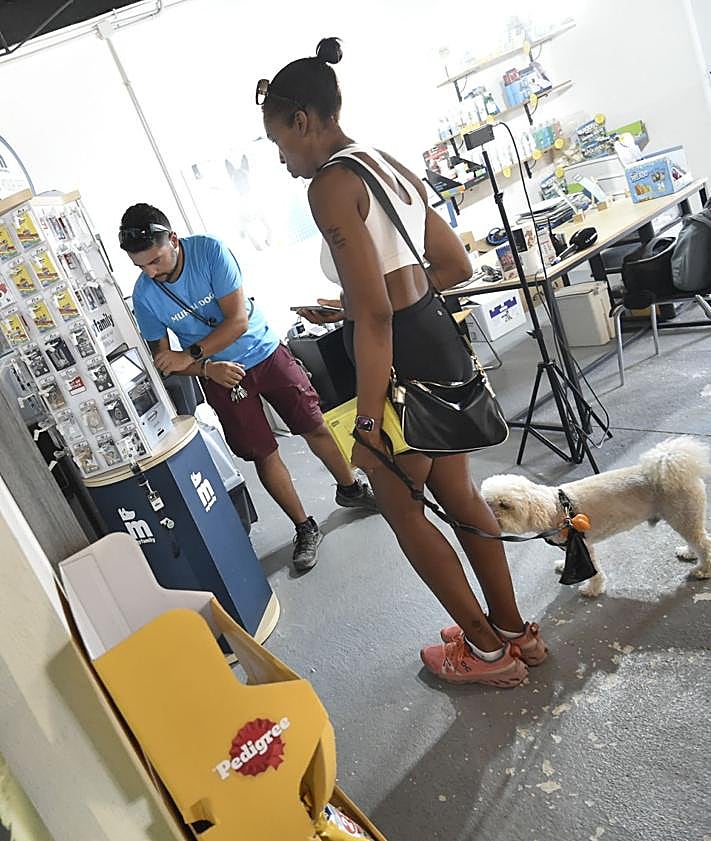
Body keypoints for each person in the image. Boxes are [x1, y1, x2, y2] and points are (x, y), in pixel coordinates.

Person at [258, 38, 548, 687]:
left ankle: (486, 654)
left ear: (302, 121)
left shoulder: (331, 184)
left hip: (392, 362)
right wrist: (361, 303)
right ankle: (511, 631)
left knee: (401, 508)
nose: (283, 162)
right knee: (456, 494)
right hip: (435, 343)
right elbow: (451, 266)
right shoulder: (385, 164)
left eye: (279, 144)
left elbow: (379, 316)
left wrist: (364, 422)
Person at [118, 204, 377, 572]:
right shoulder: (145, 295)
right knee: (263, 453)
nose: (150, 272)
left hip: (265, 352)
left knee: (314, 425)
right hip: (220, 376)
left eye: (155, 260)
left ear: (173, 240)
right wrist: (207, 369)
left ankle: (350, 488)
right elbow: (165, 359)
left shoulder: (209, 251)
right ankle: (304, 527)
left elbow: (237, 321)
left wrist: (193, 355)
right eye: (141, 266)